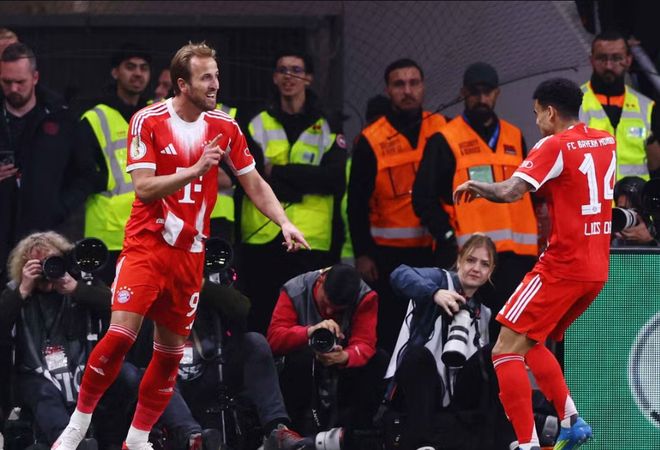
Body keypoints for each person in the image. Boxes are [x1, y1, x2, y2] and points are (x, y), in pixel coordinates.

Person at [52, 41, 309, 450]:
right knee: (120, 337)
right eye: (206, 77)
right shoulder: (148, 119)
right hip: (146, 246)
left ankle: (137, 440)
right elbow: (144, 187)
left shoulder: (225, 126)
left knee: (170, 355)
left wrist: (284, 221)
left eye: (216, 75)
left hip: (190, 254)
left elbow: (253, 181)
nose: (215, 84)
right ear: (182, 84)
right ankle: (76, 428)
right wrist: (196, 168)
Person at [454, 78, 616, 450]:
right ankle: (571, 421)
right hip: (596, 269)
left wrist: (477, 186)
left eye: (536, 113)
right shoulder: (606, 140)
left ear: (550, 111)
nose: (537, 122)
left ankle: (526, 443)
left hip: (561, 267)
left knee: (504, 349)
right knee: (531, 340)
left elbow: (511, 191)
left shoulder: (553, 145)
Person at [412, 62, 538, 336]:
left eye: (487, 91)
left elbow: (531, 190)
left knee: (510, 334)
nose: (481, 98)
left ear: (497, 93)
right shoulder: (445, 139)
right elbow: (423, 197)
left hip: (516, 257)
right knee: (467, 333)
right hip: (471, 257)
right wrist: (446, 236)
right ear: (463, 93)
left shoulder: (514, 135)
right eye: (475, 91)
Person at [237, 50, 347, 334]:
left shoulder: (328, 123)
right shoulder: (255, 121)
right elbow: (251, 175)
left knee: (308, 319)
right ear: (275, 77)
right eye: (282, 70)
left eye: (296, 70)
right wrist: (306, 179)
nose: (289, 76)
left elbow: (335, 179)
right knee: (262, 317)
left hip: (310, 239)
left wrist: (278, 172)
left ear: (308, 77)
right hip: (262, 235)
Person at [347, 58, 445, 354]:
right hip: (387, 254)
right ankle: (389, 383)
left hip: (433, 249)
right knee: (390, 329)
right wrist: (363, 253)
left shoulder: (442, 127)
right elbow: (356, 201)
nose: (407, 91)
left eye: (414, 83)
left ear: (423, 86)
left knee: (433, 327)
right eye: (399, 84)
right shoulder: (371, 138)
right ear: (388, 90)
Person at [0, 232, 131, 448]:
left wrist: (76, 289)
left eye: (51, 261)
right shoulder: (17, 292)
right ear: (24, 266)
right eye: (38, 263)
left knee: (130, 376)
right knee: (45, 395)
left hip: (82, 369)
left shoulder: (79, 285)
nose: (46, 269)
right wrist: (22, 290)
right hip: (35, 374)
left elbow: (116, 307)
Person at [387, 234, 513, 450]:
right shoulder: (439, 280)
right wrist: (434, 293)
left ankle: (509, 440)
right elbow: (399, 274)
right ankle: (423, 444)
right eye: (471, 260)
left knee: (498, 352)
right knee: (417, 356)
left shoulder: (484, 311)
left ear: (491, 271)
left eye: (484, 264)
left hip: (458, 393)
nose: (476, 268)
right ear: (459, 260)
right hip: (423, 385)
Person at [0, 42, 95, 283]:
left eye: (20, 82)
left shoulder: (61, 119)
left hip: (43, 236)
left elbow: (86, 174)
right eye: (6, 82)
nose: (13, 88)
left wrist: (58, 207)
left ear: (35, 78)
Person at [267, 264, 384, 434]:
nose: (329, 311)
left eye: (338, 311)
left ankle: (358, 431)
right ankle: (294, 431)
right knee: (300, 360)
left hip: (343, 364)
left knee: (378, 359)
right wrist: (309, 332)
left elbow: (365, 343)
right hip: (301, 367)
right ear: (321, 280)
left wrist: (345, 356)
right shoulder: (294, 290)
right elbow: (274, 339)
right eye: (326, 303)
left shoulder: (365, 297)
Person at [80, 43, 151, 286]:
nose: (138, 73)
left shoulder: (156, 115)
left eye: (143, 68)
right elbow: (82, 170)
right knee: (106, 304)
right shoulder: (95, 117)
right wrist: (103, 180)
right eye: (130, 67)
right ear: (115, 72)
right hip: (107, 236)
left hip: (148, 233)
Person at [580, 30, 660, 181]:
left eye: (617, 58)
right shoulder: (571, 103)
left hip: (636, 195)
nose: (609, 65)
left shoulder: (647, 106)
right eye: (602, 58)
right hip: (591, 196)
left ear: (628, 60)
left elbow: (655, 165)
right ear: (591, 60)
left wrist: (649, 139)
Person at [611, 176, 658, 246]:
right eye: (623, 209)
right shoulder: (610, 234)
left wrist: (650, 241)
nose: (629, 214)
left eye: (635, 210)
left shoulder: (656, 232)